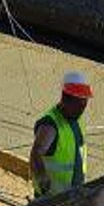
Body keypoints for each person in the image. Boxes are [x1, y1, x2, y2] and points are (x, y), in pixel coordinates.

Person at [29, 71, 92, 199]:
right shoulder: (50, 126)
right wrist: (42, 179)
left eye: (84, 103)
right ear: (65, 98)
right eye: (79, 104)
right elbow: (36, 153)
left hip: (74, 194)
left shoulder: (77, 119)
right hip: (53, 200)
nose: (82, 108)